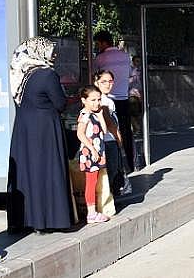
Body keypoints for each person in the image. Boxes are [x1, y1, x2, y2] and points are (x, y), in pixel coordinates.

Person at [7, 37, 75, 233]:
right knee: (47, 171)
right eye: (51, 51)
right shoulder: (47, 74)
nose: (54, 55)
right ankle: (48, 220)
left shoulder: (21, 74)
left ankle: (25, 220)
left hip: (24, 129)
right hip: (45, 129)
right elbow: (60, 103)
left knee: (27, 173)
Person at [93, 31, 135, 171]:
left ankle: (116, 166)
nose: (97, 46)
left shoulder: (101, 58)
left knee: (111, 134)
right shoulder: (125, 56)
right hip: (124, 99)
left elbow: (94, 76)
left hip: (108, 100)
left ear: (104, 42)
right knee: (126, 132)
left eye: (98, 43)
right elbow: (130, 75)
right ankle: (131, 163)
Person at [75, 85, 110, 224]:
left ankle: (93, 210)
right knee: (91, 182)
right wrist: (92, 149)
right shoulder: (84, 115)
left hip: (97, 151)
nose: (97, 103)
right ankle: (91, 212)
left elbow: (105, 131)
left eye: (98, 99)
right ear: (84, 100)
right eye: (93, 100)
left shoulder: (95, 114)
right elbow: (80, 134)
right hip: (90, 153)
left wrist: (101, 116)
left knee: (94, 182)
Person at [94, 70, 128, 197]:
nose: (107, 84)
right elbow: (109, 123)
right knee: (112, 170)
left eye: (110, 81)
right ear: (96, 82)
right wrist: (118, 137)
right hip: (109, 140)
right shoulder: (103, 101)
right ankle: (111, 197)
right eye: (104, 81)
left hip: (106, 140)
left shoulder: (108, 99)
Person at [128, 55, 143, 135]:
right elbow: (129, 83)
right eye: (136, 61)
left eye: (139, 61)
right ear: (133, 61)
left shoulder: (140, 70)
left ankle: (137, 128)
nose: (138, 63)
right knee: (133, 112)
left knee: (138, 112)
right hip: (132, 94)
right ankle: (137, 128)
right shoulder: (131, 70)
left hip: (139, 93)